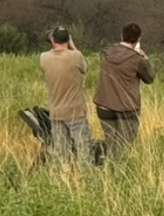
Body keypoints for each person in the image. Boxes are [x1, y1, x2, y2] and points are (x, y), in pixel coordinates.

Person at [94, 22, 155, 159]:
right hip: (127, 108)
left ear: (121, 35)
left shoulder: (106, 53)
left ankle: (104, 165)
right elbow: (149, 78)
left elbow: (112, 48)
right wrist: (145, 58)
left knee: (110, 142)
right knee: (124, 144)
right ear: (138, 39)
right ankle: (113, 171)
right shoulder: (137, 59)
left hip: (104, 106)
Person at [39, 27, 90, 164]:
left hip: (56, 112)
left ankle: (63, 178)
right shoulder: (76, 56)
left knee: (61, 154)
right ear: (68, 40)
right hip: (75, 112)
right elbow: (85, 67)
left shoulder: (44, 58)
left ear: (53, 39)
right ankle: (84, 179)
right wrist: (73, 46)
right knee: (83, 151)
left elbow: (52, 53)